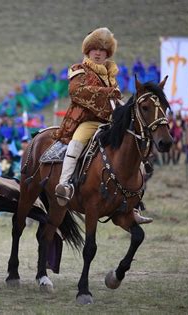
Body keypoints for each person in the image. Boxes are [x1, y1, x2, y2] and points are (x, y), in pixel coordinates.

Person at [53, 27, 152, 224]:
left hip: (109, 122)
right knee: (76, 143)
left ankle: (132, 202)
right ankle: (64, 185)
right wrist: (108, 92)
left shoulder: (110, 74)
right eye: (95, 49)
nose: (98, 53)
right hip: (86, 121)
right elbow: (77, 92)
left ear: (108, 53)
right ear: (88, 51)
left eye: (103, 50)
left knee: (131, 149)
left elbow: (116, 100)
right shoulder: (78, 69)